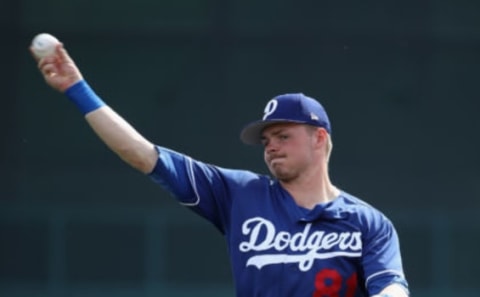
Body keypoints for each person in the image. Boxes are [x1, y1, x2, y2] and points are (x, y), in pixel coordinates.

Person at [31, 41, 410, 297]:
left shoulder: (367, 223)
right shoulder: (240, 194)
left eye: (282, 135)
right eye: (266, 140)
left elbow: (391, 289)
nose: (271, 146)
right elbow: (143, 154)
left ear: (319, 138)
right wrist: (77, 89)